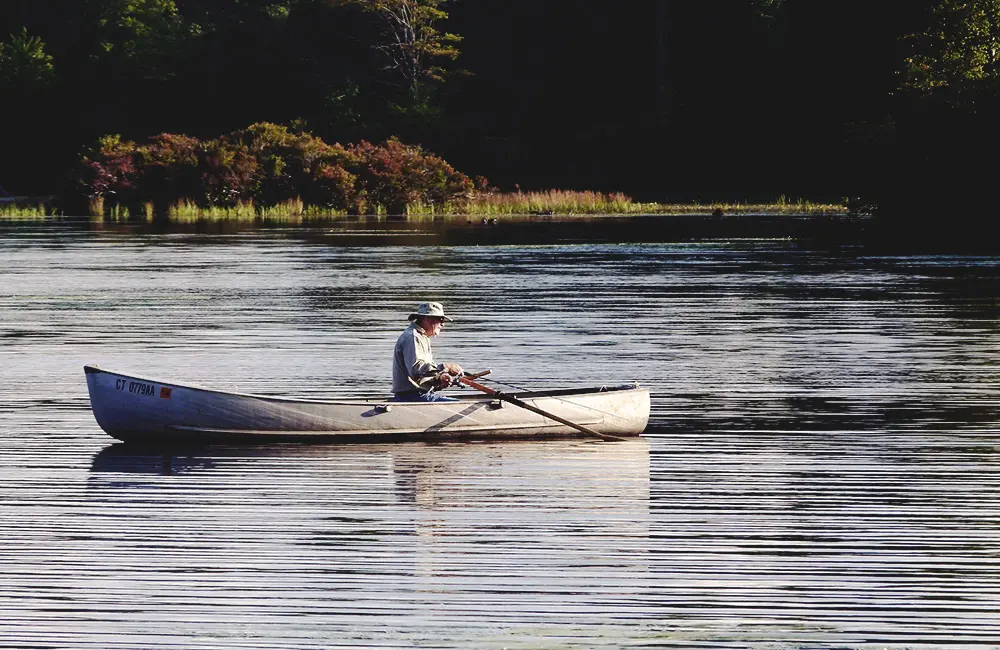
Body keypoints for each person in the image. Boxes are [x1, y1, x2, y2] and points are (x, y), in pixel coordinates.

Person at [392, 302, 464, 402]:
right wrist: (446, 367)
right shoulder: (413, 337)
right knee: (458, 404)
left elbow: (420, 376)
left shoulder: (422, 337)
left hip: (418, 395)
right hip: (411, 397)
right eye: (440, 319)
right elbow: (416, 369)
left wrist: (439, 379)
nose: (442, 324)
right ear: (427, 319)